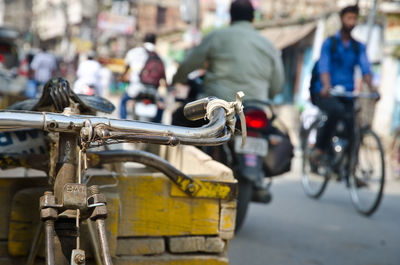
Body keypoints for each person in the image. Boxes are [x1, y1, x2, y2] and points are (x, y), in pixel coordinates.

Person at [172, 0, 284, 102]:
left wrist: (177, 80)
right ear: (252, 18)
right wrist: (268, 94)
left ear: (231, 16)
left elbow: (188, 63)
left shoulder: (216, 37)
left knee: (180, 116)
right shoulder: (268, 45)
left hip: (219, 108)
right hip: (256, 107)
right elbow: (277, 84)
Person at [311, 5, 379, 160]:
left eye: (354, 18)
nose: (351, 22)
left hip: (347, 94)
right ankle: (320, 148)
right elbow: (324, 66)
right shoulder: (330, 43)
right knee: (335, 111)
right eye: (349, 18)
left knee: (353, 129)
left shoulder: (358, 47)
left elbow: (366, 69)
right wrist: (326, 85)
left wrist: (373, 88)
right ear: (342, 19)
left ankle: (351, 169)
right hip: (326, 92)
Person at [119, 33, 166, 120]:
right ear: (155, 42)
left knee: (123, 101)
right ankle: (159, 128)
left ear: (143, 41)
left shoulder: (134, 52)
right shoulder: (159, 56)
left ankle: (122, 123)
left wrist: (122, 78)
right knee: (161, 104)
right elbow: (164, 77)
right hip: (153, 91)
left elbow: (125, 70)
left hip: (136, 89)